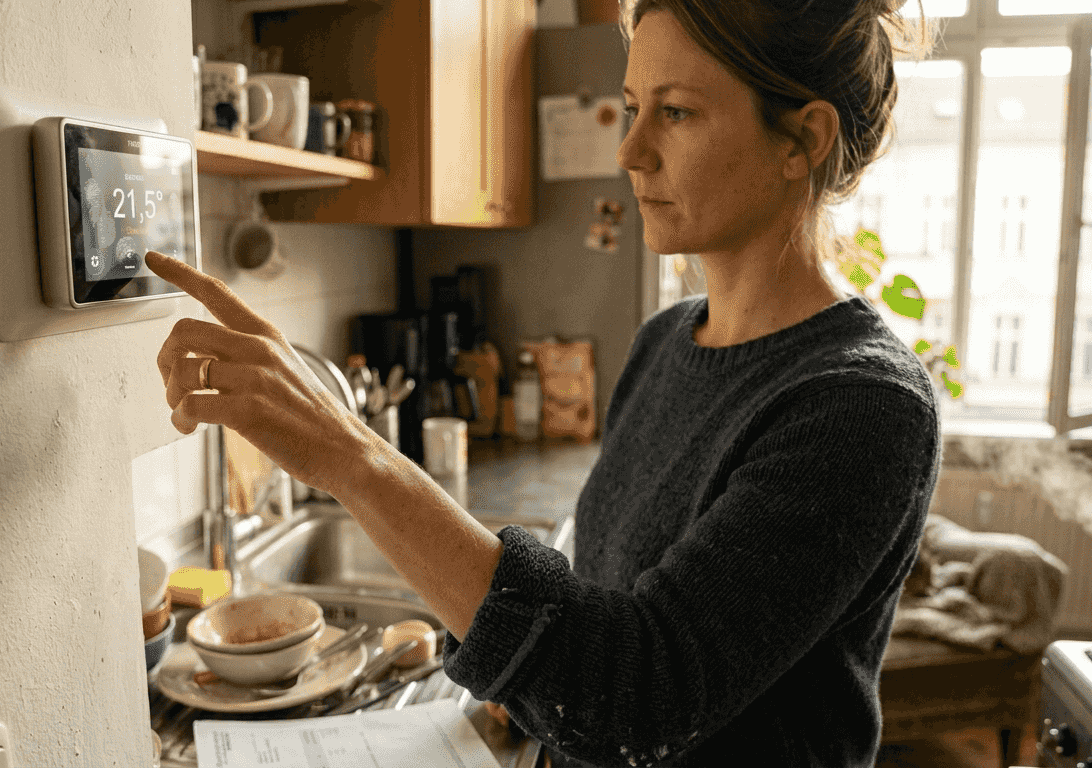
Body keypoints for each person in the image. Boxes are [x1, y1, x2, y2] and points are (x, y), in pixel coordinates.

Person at [146, 0, 938, 764]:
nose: (630, 151)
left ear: (802, 138)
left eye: (678, 112)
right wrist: (526, 676)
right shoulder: (666, 341)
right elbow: (599, 593)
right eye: (632, 106)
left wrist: (350, 454)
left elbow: (635, 701)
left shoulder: (860, 405)